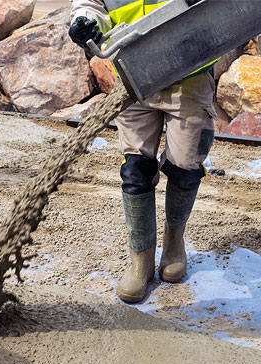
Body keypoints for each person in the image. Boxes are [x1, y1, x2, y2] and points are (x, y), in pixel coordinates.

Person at [69, 0, 217, 303]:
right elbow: (92, 4)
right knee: (135, 168)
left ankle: (174, 243)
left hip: (190, 69)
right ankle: (141, 258)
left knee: (186, 166)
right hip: (134, 71)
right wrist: (85, 21)